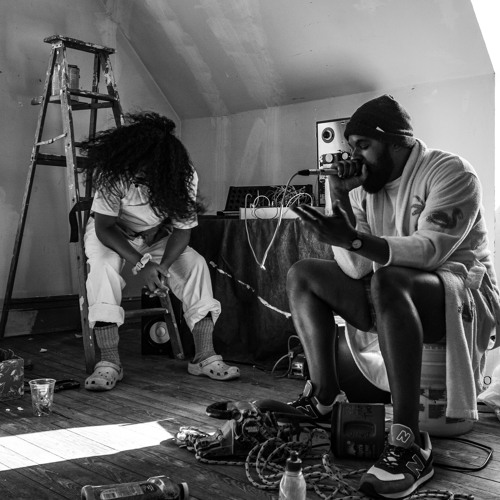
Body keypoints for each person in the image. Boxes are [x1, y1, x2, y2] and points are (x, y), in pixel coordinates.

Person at [286, 95, 500, 499]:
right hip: (391, 292)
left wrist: (353, 238)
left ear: (396, 142)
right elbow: (356, 268)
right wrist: (340, 195)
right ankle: (324, 397)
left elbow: (429, 251)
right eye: (352, 148)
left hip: (461, 294)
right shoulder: (365, 188)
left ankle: (409, 442)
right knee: (304, 274)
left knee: (389, 280)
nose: (355, 158)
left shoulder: (451, 172)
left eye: (364, 146)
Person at [78, 111, 240, 391]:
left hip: (156, 235)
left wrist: (163, 266)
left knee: (195, 265)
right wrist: (142, 263)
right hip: (114, 234)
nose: (138, 179)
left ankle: (204, 356)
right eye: (135, 173)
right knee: (103, 268)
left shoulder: (183, 175)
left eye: (144, 175)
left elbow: (182, 230)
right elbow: (104, 228)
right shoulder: (114, 172)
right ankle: (109, 362)